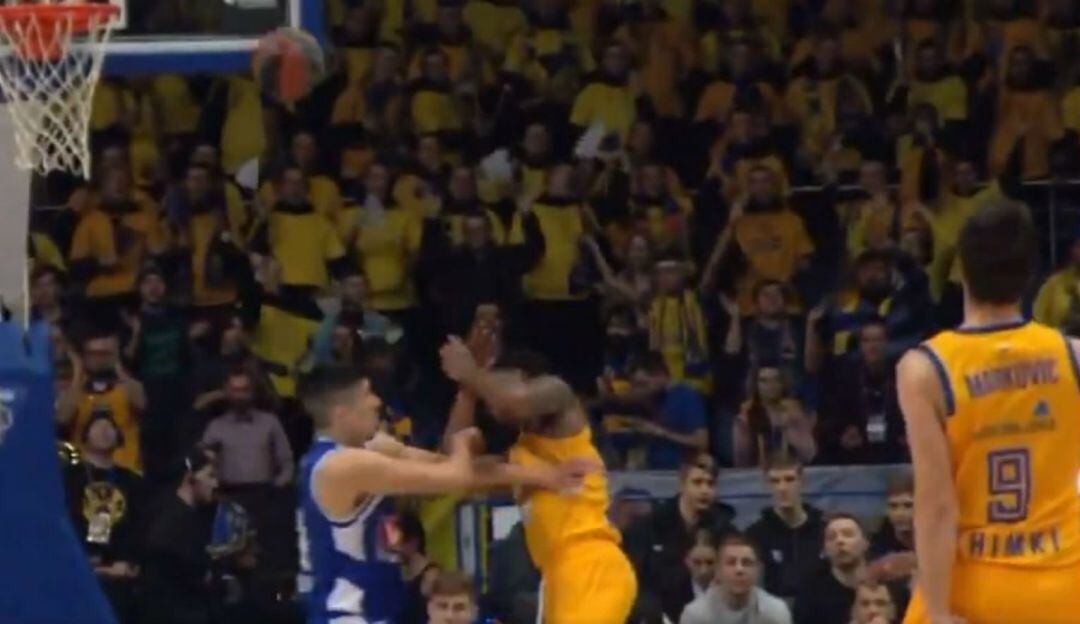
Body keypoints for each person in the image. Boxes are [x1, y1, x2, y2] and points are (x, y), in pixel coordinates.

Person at [898, 201, 1080, 624]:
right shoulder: (1072, 356)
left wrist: (939, 612)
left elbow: (936, 505)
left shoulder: (924, 368)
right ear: (1032, 272)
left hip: (974, 587)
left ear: (961, 268)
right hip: (1064, 585)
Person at [295, 366, 591, 624]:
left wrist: (546, 475)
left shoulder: (367, 451)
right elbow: (453, 477)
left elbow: (451, 468)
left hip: (376, 610)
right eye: (367, 394)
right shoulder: (341, 466)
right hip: (347, 616)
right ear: (341, 412)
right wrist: (463, 443)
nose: (376, 402)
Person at [440, 342, 639, 623]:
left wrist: (472, 373)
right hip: (555, 576)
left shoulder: (559, 397)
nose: (492, 405)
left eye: (496, 384)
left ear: (524, 379)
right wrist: (467, 393)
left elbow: (512, 404)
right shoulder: (519, 454)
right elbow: (452, 465)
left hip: (593, 563)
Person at [622, 451, 735, 622]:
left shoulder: (724, 530)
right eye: (697, 482)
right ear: (682, 484)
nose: (704, 490)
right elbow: (633, 583)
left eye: (710, 484)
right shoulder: (647, 528)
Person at [63, 413, 144, 623]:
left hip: (119, 573)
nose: (104, 430)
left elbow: (139, 525)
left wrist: (127, 562)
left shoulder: (131, 481)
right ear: (84, 435)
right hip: (77, 571)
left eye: (109, 426)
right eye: (97, 425)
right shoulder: (67, 477)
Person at [138, 445, 221, 624]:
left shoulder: (195, 515)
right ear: (190, 477)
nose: (215, 484)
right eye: (210, 476)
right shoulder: (168, 517)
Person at [57, 330, 146, 473]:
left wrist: (118, 365)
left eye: (105, 354)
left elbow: (143, 404)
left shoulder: (128, 387)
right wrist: (78, 371)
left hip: (127, 475)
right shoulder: (76, 391)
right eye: (94, 354)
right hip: (85, 476)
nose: (99, 359)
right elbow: (62, 418)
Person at [745, 452, 825, 600]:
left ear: (802, 481)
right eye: (775, 481)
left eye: (789, 479)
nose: (782, 487)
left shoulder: (824, 531)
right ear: (766, 485)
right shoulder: (754, 535)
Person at [679, 534, 792, 624]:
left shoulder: (775, 612)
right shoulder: (695, 615)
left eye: (747, 563)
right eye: (731, 562)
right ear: (718, 570)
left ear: (758, 570)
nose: (739, 569)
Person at [793, 513, 870, 624]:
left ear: (865, 543)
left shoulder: (884, 584)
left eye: (848, 534)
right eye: (831, 537)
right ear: (825, 549)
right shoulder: (810, 591)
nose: (839, 541)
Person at [870, 472, 915, 559]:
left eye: (908, 505)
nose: (900, 513)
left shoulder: (938, 541)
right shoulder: (878, 545)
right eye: (893, 506)